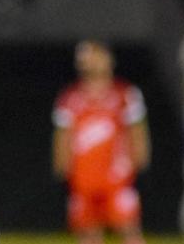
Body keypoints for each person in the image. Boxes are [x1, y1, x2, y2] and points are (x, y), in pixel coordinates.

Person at [53, 40, 149, 244]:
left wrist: (140, 156)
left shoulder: (124, 94)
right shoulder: (70, 98)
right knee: (87, 233)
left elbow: (137, 131)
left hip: (116, 177)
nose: (89, 62)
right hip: (83, 178)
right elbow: (63, 137)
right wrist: (61, 163)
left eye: (94, 56)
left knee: (129, 229)